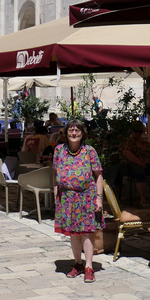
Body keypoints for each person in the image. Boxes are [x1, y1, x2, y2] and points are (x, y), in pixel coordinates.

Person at [53, 119, 103, 283]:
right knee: (73, 234)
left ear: (82, 134)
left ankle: (89, 266)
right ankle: (77, 264)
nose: (74, 133)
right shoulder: (59, 150)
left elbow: (99, 176)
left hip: (86, 197)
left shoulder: (89, 151)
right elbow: (54, 175)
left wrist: (99, 198)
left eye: (77, 131)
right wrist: (55, 194)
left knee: (87, 233)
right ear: (66, 133)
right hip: (67, 198)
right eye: (71, 131)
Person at [119, 121, 150, 207]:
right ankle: (142, 199)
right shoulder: (127, 143)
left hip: (147, 164)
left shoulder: (145, 144)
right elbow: (128, 155)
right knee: (139, 172)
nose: (138, 134)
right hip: (131, 165)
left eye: (140, 132)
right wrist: (141, 163)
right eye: (137, 132)